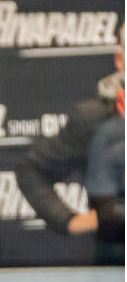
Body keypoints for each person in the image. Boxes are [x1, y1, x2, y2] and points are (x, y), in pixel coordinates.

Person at [16, 25, 124, 264]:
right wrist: (69, 220)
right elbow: (31, 169)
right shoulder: (94, 118)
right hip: (116, 269)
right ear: (120, 59)